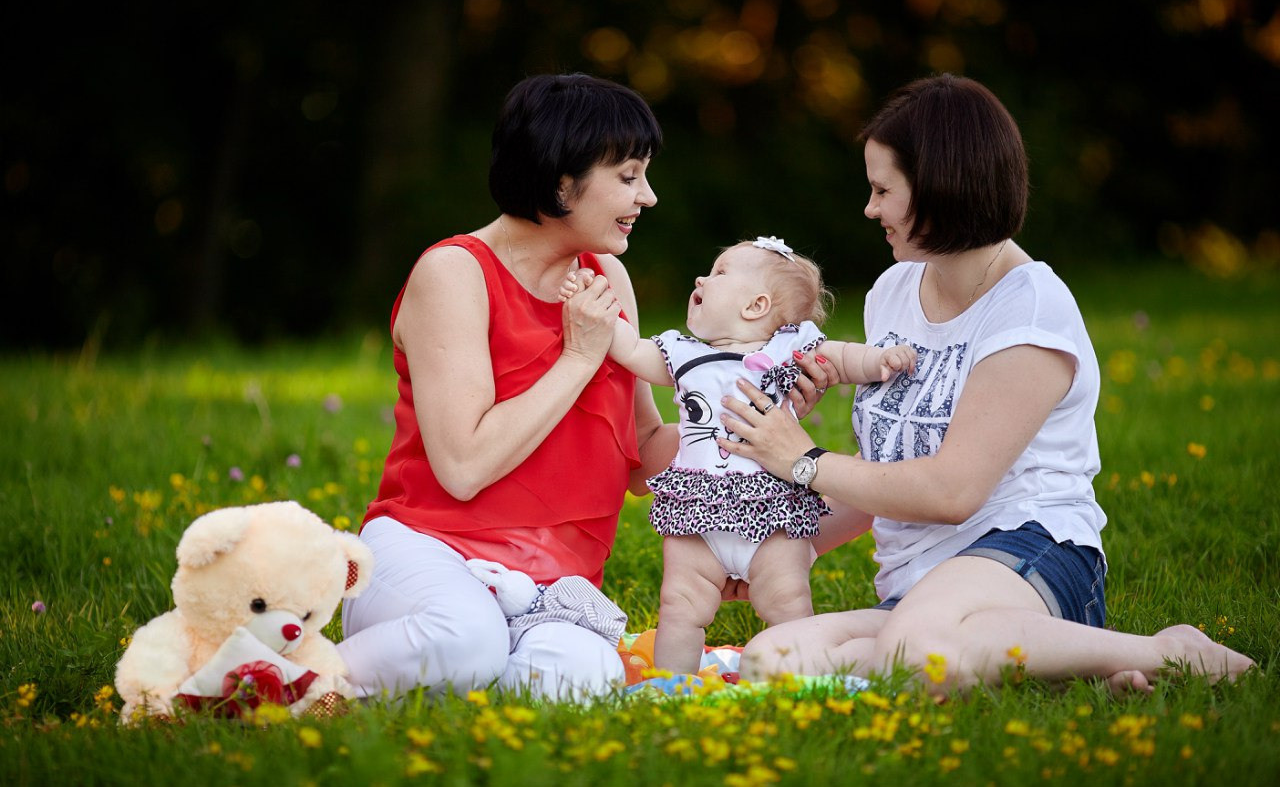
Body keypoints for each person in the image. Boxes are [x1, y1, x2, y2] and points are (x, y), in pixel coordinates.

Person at [722, 74, 1254, 694]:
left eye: (882, 190)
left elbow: (952, 492)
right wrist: (787, 547)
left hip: (1026, 553)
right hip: (922, 587)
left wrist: (803, 459)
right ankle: (1057, 665)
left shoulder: (1029, 307)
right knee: (771, 660)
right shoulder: (894, 292)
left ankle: (1164, 652)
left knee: (912, 654)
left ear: (940, 187)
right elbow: (884, 474)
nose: (869, 209)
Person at [334, 72, 829, 701]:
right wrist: (577, 358)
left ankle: (428, 678)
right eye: (627, 176)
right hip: (430, 552)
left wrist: (750, 423)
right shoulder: (455, 272)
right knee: (461, 641)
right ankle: (289, 678)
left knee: (577, 686)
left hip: (553, 583)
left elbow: (645, 445)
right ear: (560, 179)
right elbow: (462, 467)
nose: (647, 197)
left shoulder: (607, 279)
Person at [560, 237, 916, 673]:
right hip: (697, 512)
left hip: (771, 512)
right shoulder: (684, 354)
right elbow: (631, 349)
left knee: (787, 601)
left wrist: (878, 359)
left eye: (720, 272)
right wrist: (593, 307)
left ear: (755, 305)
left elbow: (838, 359)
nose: (701, 278)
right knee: (679, 604)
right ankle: (675, 684)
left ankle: (793, 673)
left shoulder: (786, 350)